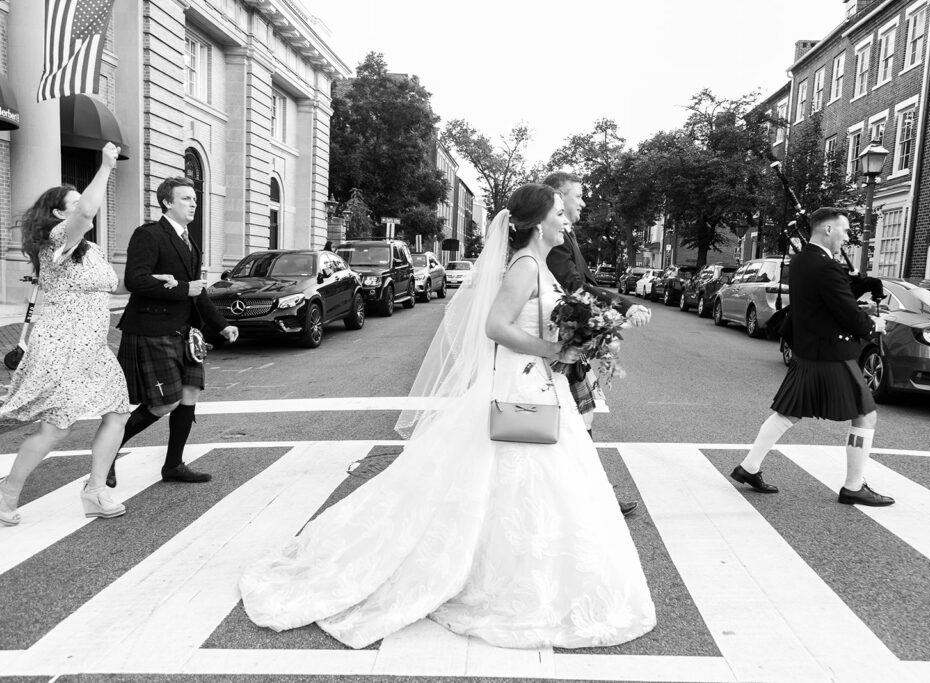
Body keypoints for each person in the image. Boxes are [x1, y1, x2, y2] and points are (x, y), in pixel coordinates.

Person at [238, 183, 656, 649]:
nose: (569, 221)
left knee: (525, 478)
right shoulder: (524, 266)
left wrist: (579, 339)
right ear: (539, 224)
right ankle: (497, 573)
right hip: (522, 384)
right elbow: (495, 327)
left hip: (539, 381)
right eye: (562, 213)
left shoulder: (537, 263)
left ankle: (515, 564)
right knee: (517, 472)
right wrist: (554, 348)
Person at [0, 143, 174, 525]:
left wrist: (155, 279)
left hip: (93, 347)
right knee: (55, 429)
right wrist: (106, 166)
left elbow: (103, 286)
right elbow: (88, 210)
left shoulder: (89, 249)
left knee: (116, 413)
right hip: (62, 347)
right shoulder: (57, 242)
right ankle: (6, 493)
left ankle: (96, 489)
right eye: (74, 202)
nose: (83, 206)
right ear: (60, 214)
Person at [730, 207, 894, 506]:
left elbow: (827, 300)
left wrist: (858, 290)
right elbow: (845, 312)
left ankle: (748, 468)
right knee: (865, 415)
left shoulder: (803, 259)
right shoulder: (826, 265)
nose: (847, 237)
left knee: (787, 413)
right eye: (844, 231)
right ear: (828, 230)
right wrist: (874, 324)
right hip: (831, 353)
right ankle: (854, 486)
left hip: (809, 351)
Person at [106, 177, 238, 488]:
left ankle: (173, 465)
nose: (193, 204)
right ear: (167, 202)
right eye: (186, 199)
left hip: (183, 332)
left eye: (194, 199)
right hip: (152, 329)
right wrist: (181, 287)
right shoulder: (149, 235)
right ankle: (106, 454)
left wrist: (221, 324)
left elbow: (198, 292)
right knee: (164, 402)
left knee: (189, 394)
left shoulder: (190, 242)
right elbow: (135, 280)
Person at [543, 171, 649, 517]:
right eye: (578, 195)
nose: (584, 202)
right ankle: (590, 496)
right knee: (574, 422)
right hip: (554, 345)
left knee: (581, 419)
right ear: (558, 197)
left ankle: (591, 493)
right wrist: (622, 306)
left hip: (568, 342)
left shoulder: (563, 237)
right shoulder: (553, 242)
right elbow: (574, 286)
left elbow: (579, 285)